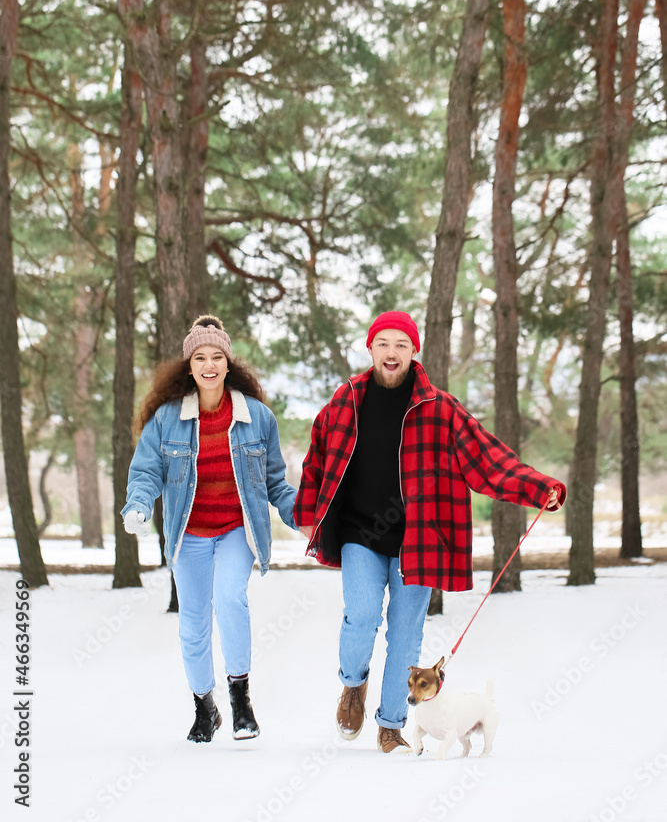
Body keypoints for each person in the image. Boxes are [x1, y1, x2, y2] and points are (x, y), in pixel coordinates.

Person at [294, 310, 565, 754]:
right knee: (361, 616)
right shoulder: (345, 402)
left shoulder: (441, 409)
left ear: (413, 351)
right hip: (360, 533)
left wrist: (541, 489)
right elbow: (317, 461)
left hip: (419, 542)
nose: (392, 352)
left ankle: (391, 723)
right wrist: (308, 513)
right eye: (384, 343)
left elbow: (491, 461)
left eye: (401, 344)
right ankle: (352, 686)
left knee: (406, 633)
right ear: (371, 349)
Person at [123, 315, 298, 743]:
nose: (208, 365)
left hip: (236, 530)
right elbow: (146, 472)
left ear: (227, 363)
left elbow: (275, 480)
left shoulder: (256, 416)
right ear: (189, 366)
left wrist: (302, 514)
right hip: (189, 534)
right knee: (193, 623)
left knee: (230, 599)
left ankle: (240, 700)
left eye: (216, 356)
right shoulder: (167, 420)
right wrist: (139, 507)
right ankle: (205, 707)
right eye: (200, 357)